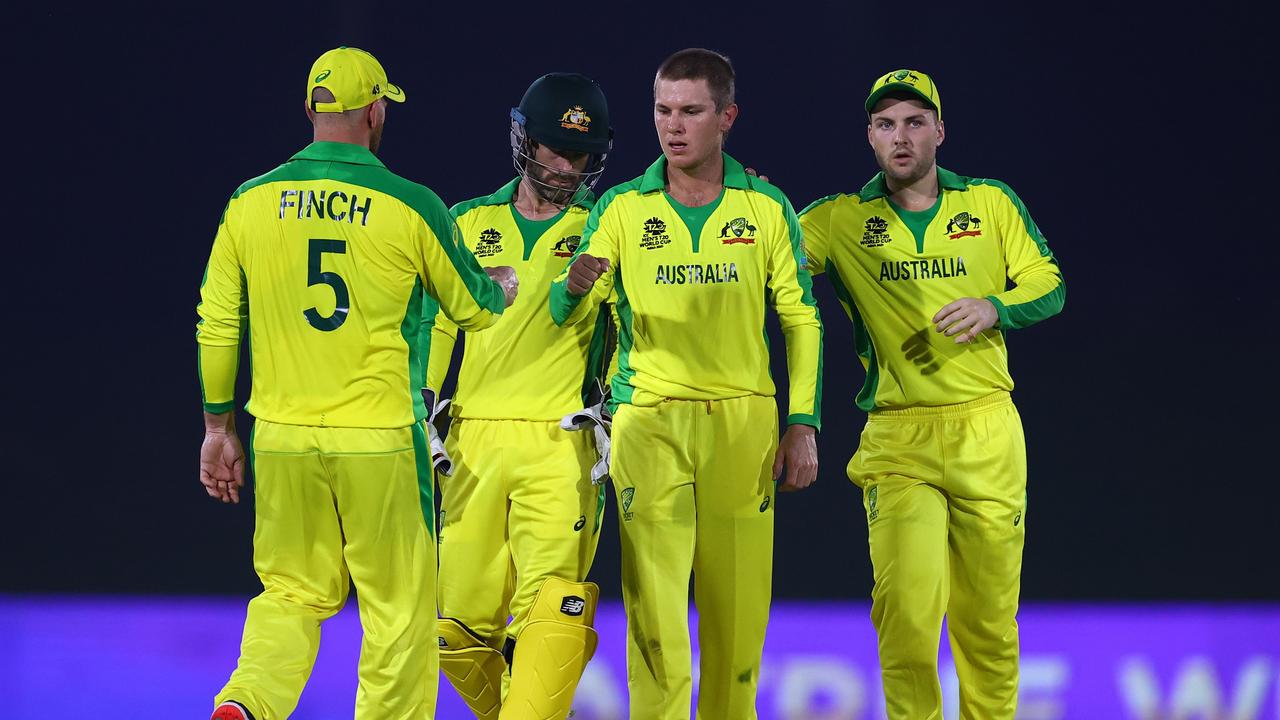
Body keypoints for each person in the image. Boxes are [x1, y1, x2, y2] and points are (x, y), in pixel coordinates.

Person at [196, 46, 517, 720]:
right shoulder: (410, 205)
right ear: (376, 111)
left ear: (310, 109)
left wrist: (218, 429)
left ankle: (247, 703)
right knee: (397, 609)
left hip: (281, 436)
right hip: (379, 441)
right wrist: (504, 286)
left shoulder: (249, 202)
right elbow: (475, 308)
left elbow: (217, 323)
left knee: (289, 591)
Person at [549, 48, 823, 719]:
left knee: (735, 617)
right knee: (656, 615)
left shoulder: (764, 206)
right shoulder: (619, 208)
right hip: (649, 422)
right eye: (663, 110)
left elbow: (802, 318)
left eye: (691, 111)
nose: (674, 126)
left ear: (726, 116)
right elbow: (570, 312)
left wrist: (804, 422)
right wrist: (571, 288)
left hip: (743, 426)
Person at [798, 68, 1065, 719]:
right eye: (886, 124)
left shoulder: (990, 203)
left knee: (988, 630)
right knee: (908, 622)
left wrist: (995, 308)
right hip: (899, 438)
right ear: (869, 135)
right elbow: (761, 261)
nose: (901, 136)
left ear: (940, 131)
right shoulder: (839, 220)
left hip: (987, 433)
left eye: (915, 122)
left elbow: (1049, 284)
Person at [425, 72, 616, 720]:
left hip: (560, 439)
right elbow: (440, 321)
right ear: (524, 142)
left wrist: (621, 400)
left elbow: (634, 327)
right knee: (454, 633)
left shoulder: (605, 228)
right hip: (470, 440)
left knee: (552, 610)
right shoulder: (466, 220)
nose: (565, 168)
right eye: (553, 150)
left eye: (579, 156)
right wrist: (421, 401)